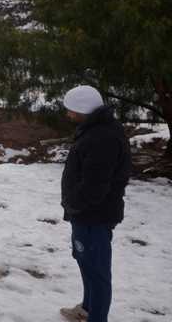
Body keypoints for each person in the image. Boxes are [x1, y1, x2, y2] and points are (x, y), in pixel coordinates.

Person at [58, 86, 130, 322]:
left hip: (94, 216)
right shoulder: (96, 129)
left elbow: (95, 185)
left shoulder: (103, 138)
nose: (68, 115)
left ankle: (97, 318)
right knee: (85, 262)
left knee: (97, 272)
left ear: (82, 109)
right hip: (86, 214)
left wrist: (74, 203)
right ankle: (87, 310)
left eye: (71, 110)